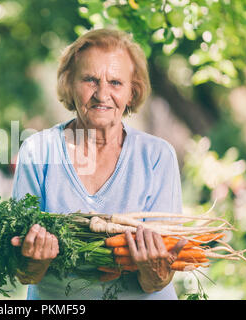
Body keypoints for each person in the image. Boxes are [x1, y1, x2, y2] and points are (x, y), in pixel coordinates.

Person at [10, 28, 187, 300]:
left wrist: (154, 271)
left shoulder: (157, 156)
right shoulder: (37, 151)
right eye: (90, 80)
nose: (102, 94)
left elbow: (157, 282)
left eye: (115, 82)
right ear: (69, 84)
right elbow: (25, 273)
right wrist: (35, 260)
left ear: (132, 92)